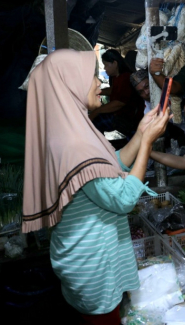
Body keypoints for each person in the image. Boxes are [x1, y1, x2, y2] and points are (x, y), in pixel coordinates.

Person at [21, 49, 169, 324]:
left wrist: (139, 133)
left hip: (83, 255)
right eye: (90, 76)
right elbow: (123, 200)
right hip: (92, 264)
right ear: (69, 84)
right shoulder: (75, 144)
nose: (99, 82)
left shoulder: (68, 130)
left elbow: (107, 165)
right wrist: (147, 142)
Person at [91, 49, 144, 135]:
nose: (104, 68)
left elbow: (119, 103)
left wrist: (97, 111)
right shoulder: (116, 77)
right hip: (119, 115)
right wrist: (97, 92)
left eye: (106, 65)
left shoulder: (126, 77)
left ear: (115, 63)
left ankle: (100, 146)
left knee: (96, 122)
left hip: (127, 119)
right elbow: (113, 90)